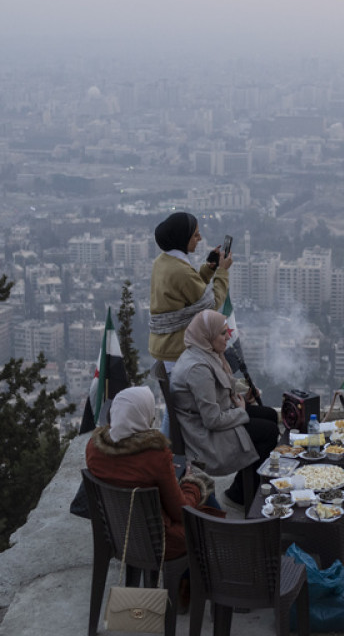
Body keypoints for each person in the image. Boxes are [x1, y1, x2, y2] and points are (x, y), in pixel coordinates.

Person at [84, 386, 221, 559]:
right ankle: (201, 570)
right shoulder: (155, 455)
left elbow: (126, 472)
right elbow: (179, 511)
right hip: (157, 540)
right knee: (205, 495)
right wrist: (191, 483)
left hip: (115, 532)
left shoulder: (94, 448)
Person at [169, 310, 279, 507]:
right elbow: (211, 420)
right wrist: (241, 411)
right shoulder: (198, 369)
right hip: (206, 437)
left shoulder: (205, 353)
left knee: (270, 415)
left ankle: (243, 487)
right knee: (268, 432)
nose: (228, 336)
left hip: (216, 419)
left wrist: (244, 400)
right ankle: (241, 494)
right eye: (222, 333)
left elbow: (217, 396)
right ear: (207, 335)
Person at [149, 211, 231, 370]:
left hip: (163, 344)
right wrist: (222, 271)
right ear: (182, 238)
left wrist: (208, 270)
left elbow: (189, 294)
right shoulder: (181, 271)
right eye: (195, 235)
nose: (199, 239)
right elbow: (211, 305)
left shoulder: (163, 261)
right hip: (177, 350)